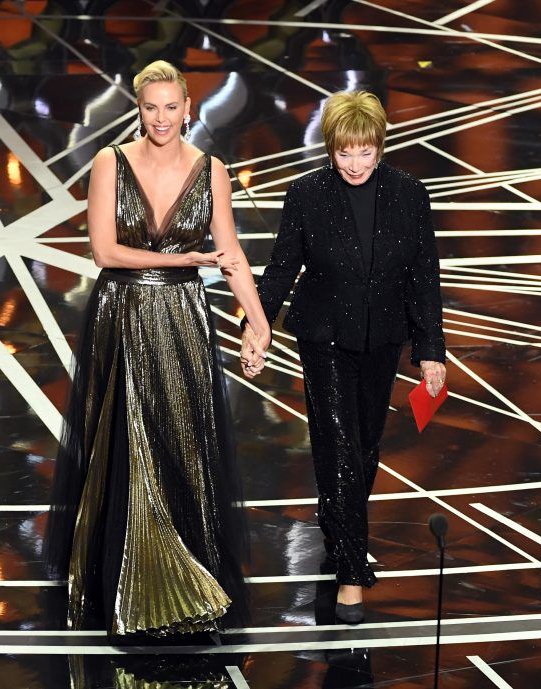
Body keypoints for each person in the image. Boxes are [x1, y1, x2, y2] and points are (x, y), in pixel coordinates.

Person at [46, 60, 271, 638]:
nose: (163, 118)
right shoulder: (109, 163)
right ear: (139, 109)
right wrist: (183, 261)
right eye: (152, 107)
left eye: (173, 106)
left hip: (183, 322)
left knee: (182, 441)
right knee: (125, 443)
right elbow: (105, 253)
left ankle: (186, 573)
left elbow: (232, 252)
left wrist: (259, 322)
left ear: (188, 108)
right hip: (121, 315)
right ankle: (123, 582)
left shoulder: (212, 170)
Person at [243, 90, 446, 624]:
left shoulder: (410, 195)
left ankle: (337, 523)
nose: (355, 164)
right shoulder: (307, 195)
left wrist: (431, 353)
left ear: (380, 146)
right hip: (325, 337)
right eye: (344, 153)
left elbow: (424, 277)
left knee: (363, 449)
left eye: (365, 152)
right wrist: (256, 329)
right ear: (330, 149)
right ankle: (353, 575)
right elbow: (282, 268)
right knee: (336, 445)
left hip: (383, 338)